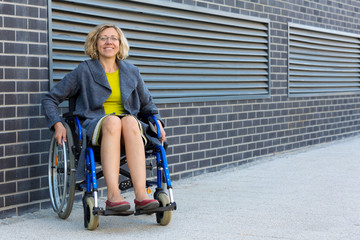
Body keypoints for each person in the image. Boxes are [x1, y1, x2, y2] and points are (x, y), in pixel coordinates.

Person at [42, 23, 166, 212]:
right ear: (95, 43)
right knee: (113, 120)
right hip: (96, 128)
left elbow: (148, 104)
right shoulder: (83, 71)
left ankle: (141, 195)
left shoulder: (132, 72)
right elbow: (50, 99)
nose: (109, 42)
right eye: (103, 38)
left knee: (130, 120)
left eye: (113, 38)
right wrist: (57, 124)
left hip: (129, 131)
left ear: (120, 43)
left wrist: (157, 121)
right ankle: (113, 195)